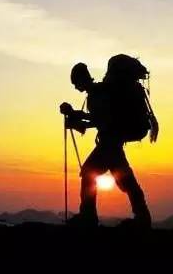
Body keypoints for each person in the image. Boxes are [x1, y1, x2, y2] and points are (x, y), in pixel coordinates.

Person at [60, 62, 152, 229]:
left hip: (110, 143)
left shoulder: (97, 94)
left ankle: (89, 217)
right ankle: (142, 217)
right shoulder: (99, 92)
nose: (75, 87)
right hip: (112, 142)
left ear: (82, 79)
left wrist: (76, 118)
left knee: (91, 173)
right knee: (125, 180)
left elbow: (100, 120)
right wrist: (77, 116)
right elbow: (99, 118)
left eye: (75, 83)